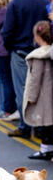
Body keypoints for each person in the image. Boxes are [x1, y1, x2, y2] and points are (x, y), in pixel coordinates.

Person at [2, 0, 49, 138]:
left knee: (22, 90)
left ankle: (25, 125)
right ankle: (40, 127)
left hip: (20, 51)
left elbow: (7, 31)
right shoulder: (44, 2)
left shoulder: (15, 3)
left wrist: (10, 47)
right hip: (41, 51)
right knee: (42, 90)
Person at [23, 21, 53, 160]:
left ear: (37, 36)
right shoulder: (50, 52)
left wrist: (31, 97)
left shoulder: (38, 55)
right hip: (50, 93)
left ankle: (45, 149)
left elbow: (35, 78)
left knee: (45, 124)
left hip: (43, 95)